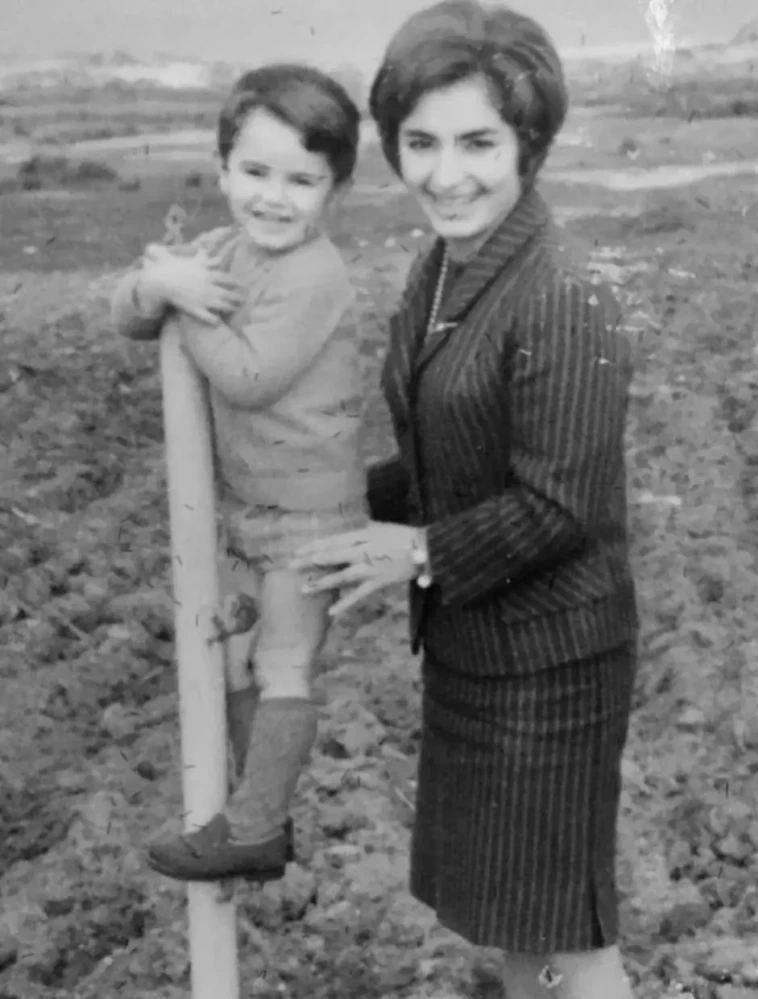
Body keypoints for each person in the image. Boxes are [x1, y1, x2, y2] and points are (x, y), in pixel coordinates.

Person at [288, 2, 640, 997]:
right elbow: (441, 455)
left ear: (527, 141)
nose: (447, 174)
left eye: (478, 142)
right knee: (520, 934)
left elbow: (558, 502)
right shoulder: (441, 266)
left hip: (551, 664)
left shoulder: (562, 287)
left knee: (565, 944)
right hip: (477, 651)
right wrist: (318, 504)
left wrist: (407, 552)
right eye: (421, 142)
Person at [110, 63, 366, 882]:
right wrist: (155, 281)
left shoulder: (315, 273)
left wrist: (183, 303)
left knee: (284, 661)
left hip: (312, 513)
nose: (274, 197)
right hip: (248, 510)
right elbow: (129, 316)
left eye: (302, 179)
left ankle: (256, 827)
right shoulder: (223, 248)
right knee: (232, 663)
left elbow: (249, 375)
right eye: (255, 172)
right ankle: (259, 815)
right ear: (223, 171)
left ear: (335, 191)